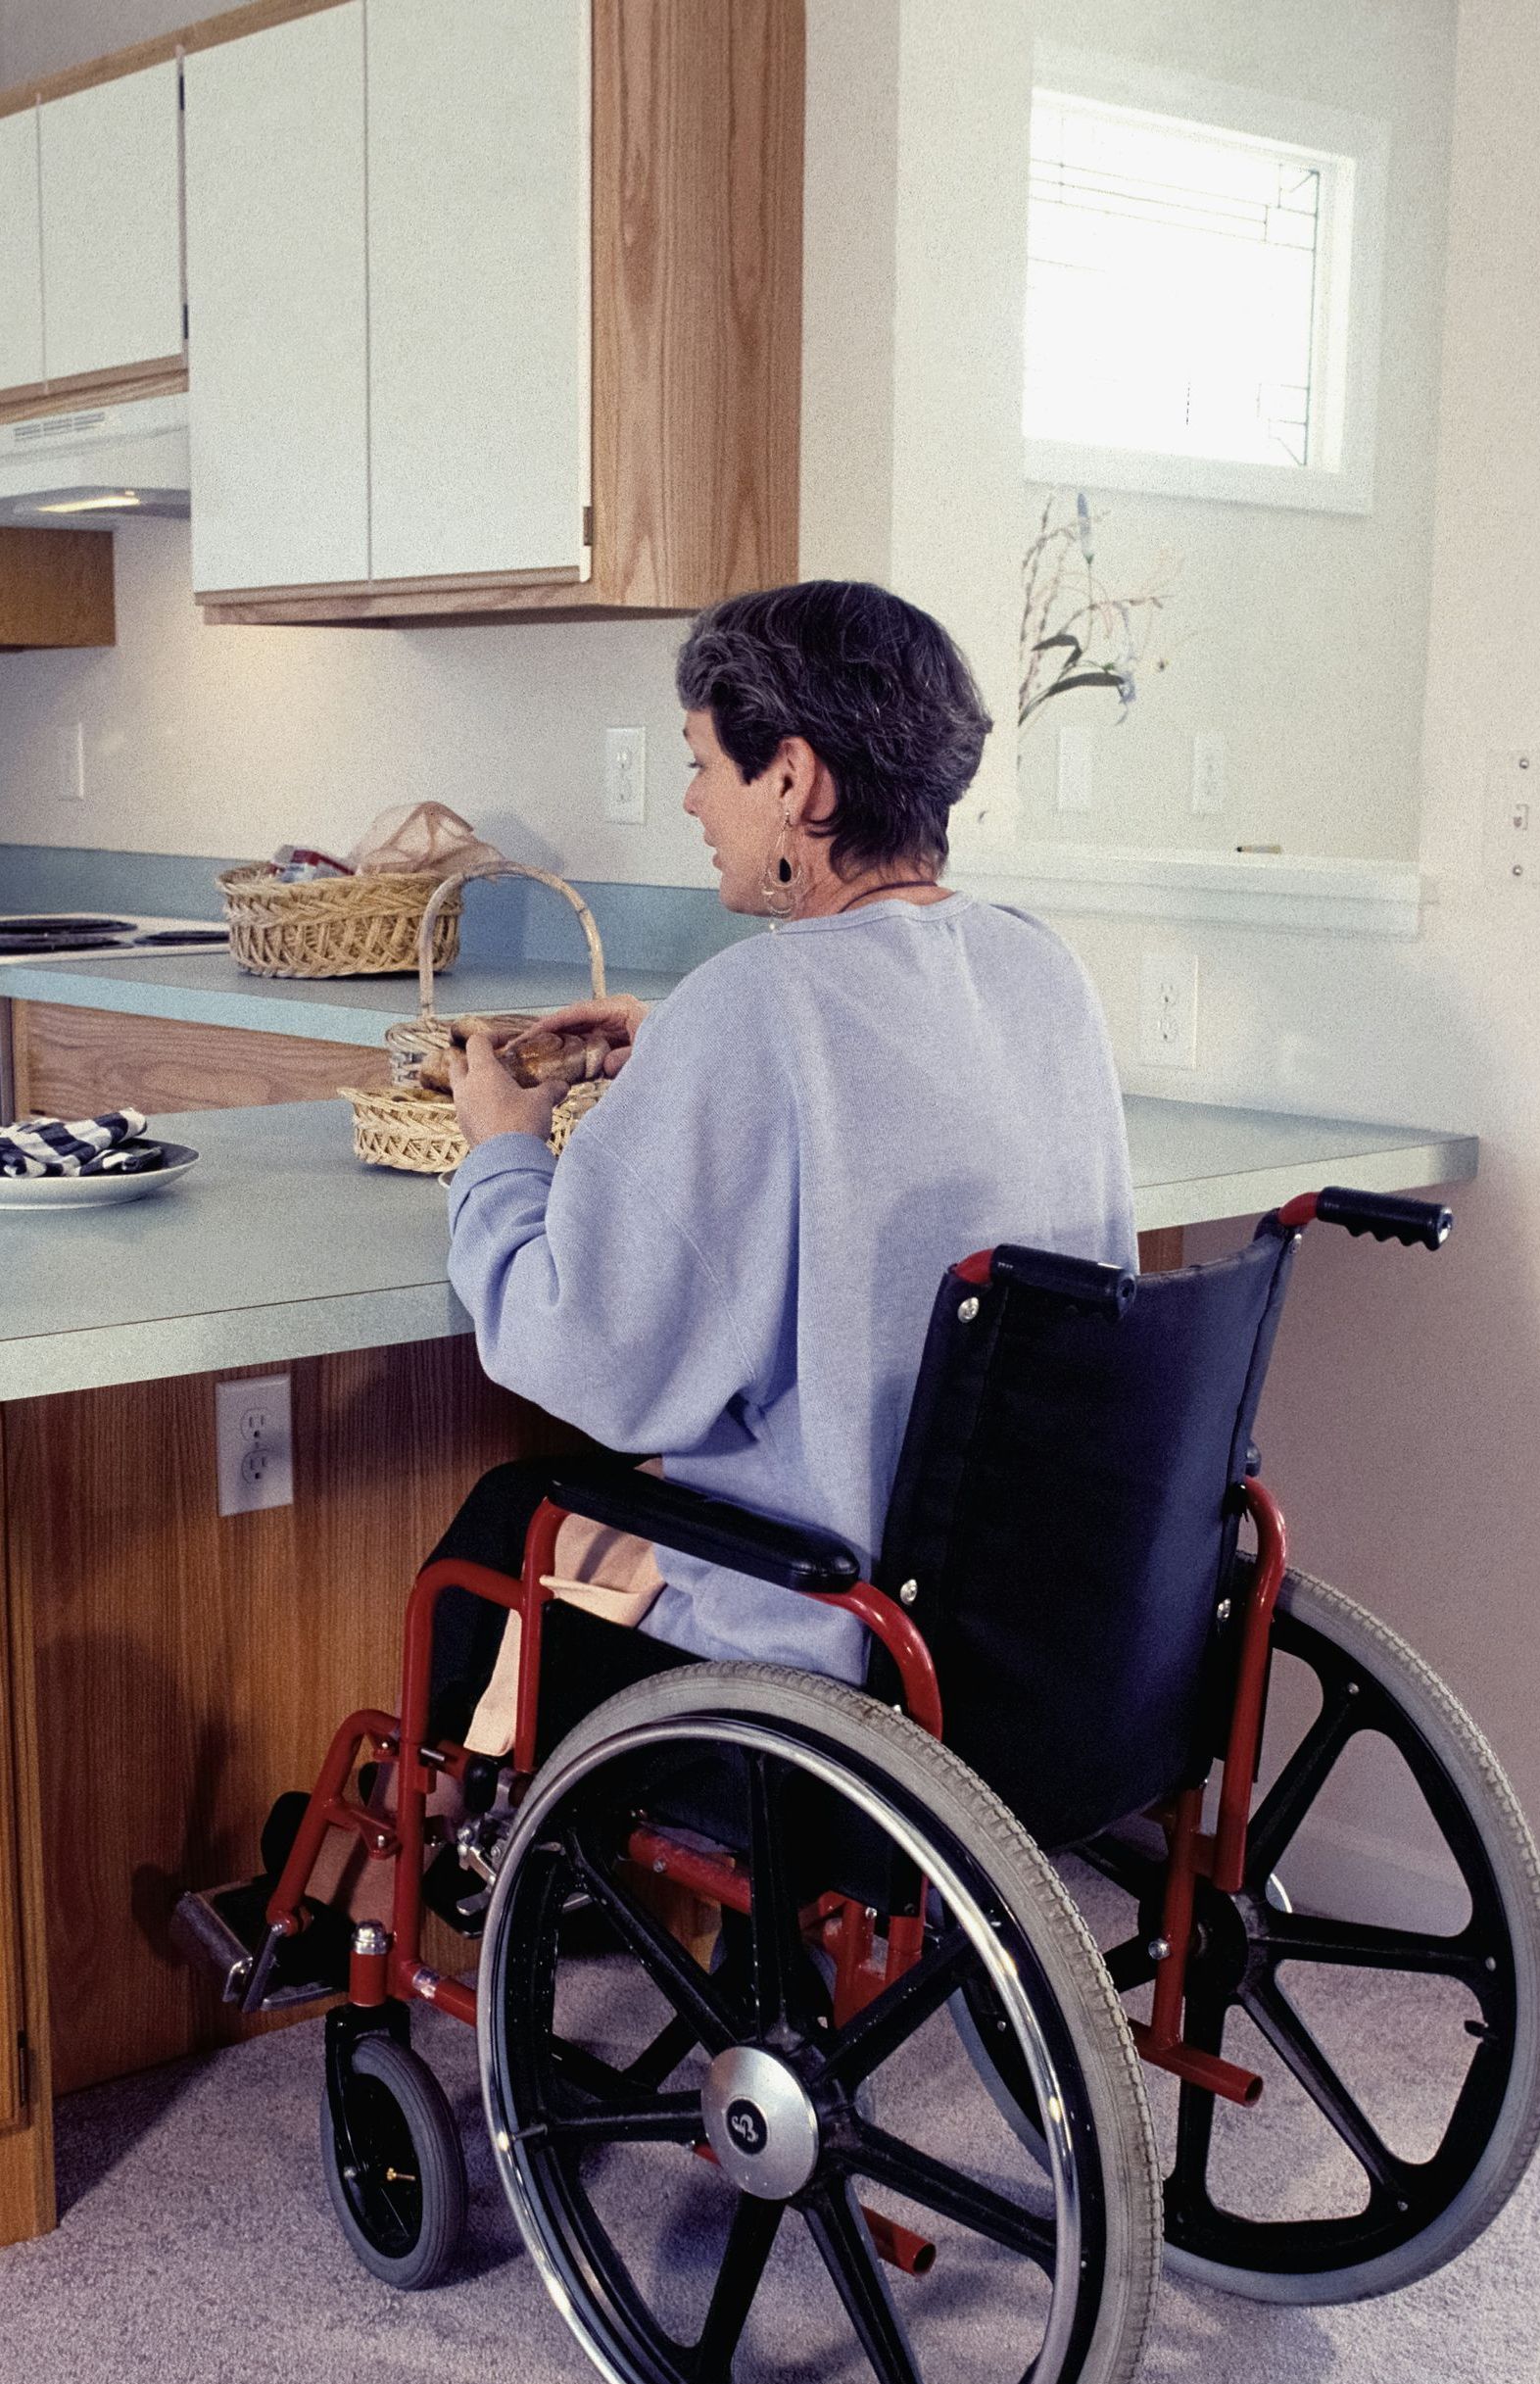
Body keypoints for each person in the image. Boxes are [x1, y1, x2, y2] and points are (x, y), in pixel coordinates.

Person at [427, 577, 1134, 1751]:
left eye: (705, 762)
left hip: (834, 1631)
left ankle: (410, 1856)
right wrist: (688, 1066)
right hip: (1025, 1611)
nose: (695, 801)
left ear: (793, 779)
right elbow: (897, 1111)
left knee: (513, 1512)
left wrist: (500, 1153)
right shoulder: (1035, 966)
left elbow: (590, 1357)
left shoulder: (753, 1004)